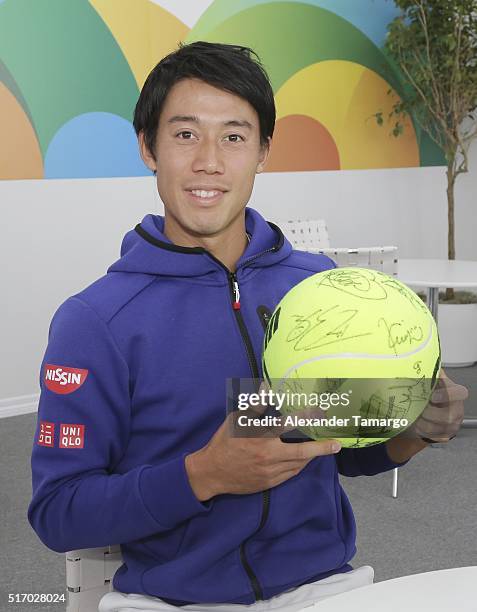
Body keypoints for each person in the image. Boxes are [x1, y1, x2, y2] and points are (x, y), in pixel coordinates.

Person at [28, 41, 467, 612]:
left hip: (323, 588)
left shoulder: (316, 287)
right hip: (168, 600)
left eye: (234, 136)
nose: (209, 160)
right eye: (185, 134)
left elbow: (335, 446)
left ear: (263, 151)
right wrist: (202, 475)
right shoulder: (95, 320)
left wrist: (412, 431)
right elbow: (59, 512)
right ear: (148, 147)